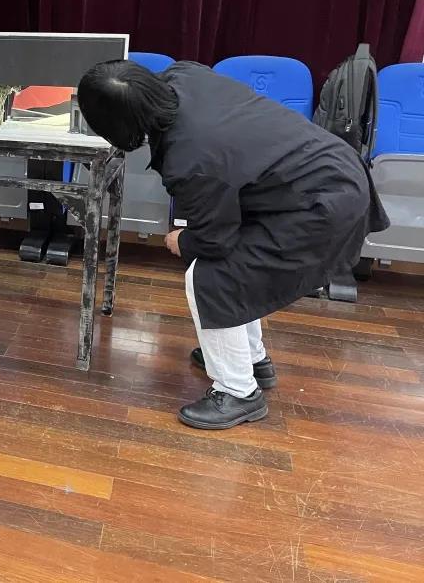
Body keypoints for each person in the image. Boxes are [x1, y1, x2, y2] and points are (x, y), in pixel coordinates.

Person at [77, 59, 388, 430]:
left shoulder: (190, 158)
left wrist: (183, 240)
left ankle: (239, 392)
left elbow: (214, 240)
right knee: (240, 271)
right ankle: (252, 360)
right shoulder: (185, 74)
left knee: (210, 278)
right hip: (321, 172)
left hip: (320, 204)